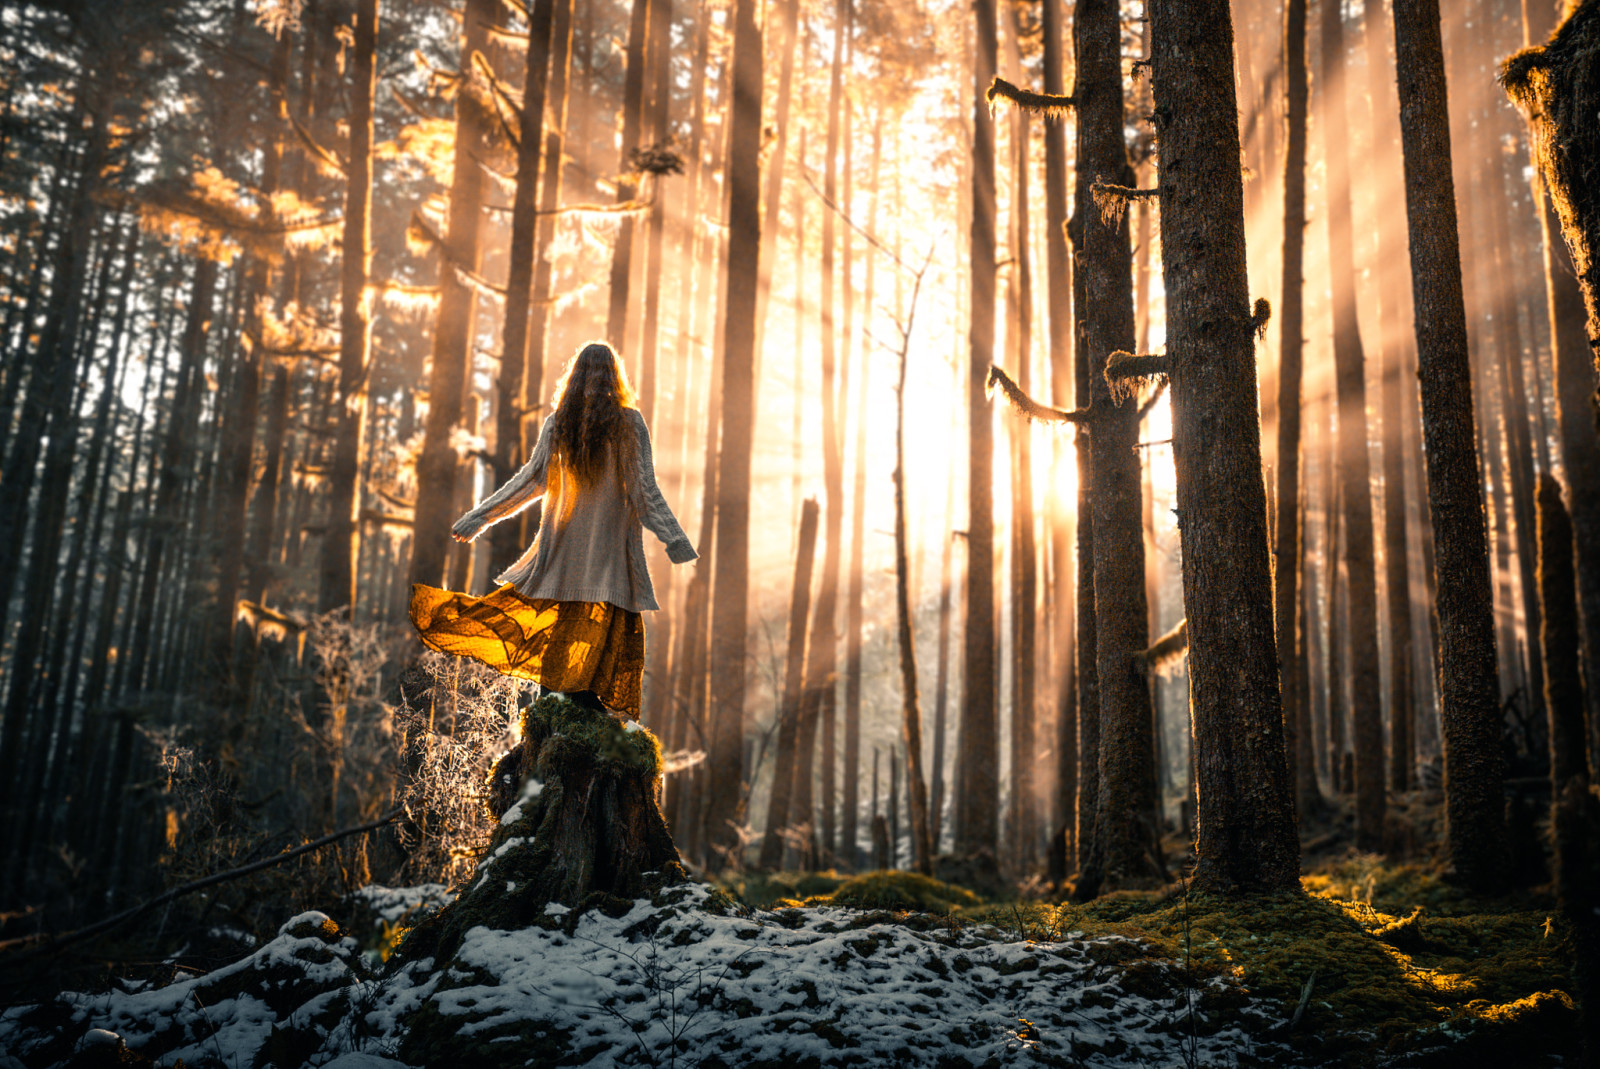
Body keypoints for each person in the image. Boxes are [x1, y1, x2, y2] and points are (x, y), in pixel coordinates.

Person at [409, 341, 696, 719]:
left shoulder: (561, 423)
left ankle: (552, 738)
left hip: (561, 563)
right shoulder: (625, 423)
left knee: (558, 657)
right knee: (597, 662)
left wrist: (479, 517)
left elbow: (529, 483)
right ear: (616, 378)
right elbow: (645, 491)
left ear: (573, 377)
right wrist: (674, 539)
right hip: (607, 566)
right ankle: (564, 742)